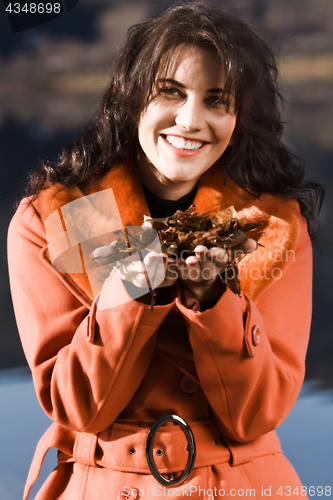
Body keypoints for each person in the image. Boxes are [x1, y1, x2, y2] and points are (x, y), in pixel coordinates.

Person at [8, 3, 324, 500]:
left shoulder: (273, 229)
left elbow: (258, 415)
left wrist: (215, 305)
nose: (191, 119)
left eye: (217, 101)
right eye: (170, 93)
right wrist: (130, 295)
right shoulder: (50, 219)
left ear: (239, 118)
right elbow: (78, 408)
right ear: (132, 97)